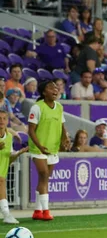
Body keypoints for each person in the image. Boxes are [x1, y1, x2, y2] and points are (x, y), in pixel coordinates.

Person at [28, 80, 69, 221]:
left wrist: (65, 139)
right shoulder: (37, 107)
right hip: (38, 148)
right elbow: (31, 130)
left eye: (56, 88)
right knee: (44, 174)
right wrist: (39, 146)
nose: (55, 90)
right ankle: (46, 211)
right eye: (51, 88)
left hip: (53, 148)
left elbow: (62, 126)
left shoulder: (59, 107)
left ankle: (37, 211)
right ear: (44, 92)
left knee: (44, 179)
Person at [0, 110, 28, 224]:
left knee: (1, 182)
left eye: (4, 118)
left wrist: (19, 153)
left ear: (7, 121)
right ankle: (6, 214)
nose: (1, 121)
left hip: (2, 170)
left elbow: (9, 158)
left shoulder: (9, 137)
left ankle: (6, 214)